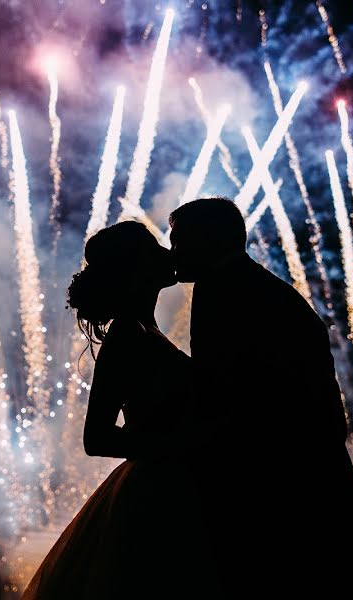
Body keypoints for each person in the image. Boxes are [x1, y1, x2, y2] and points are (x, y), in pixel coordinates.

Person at [169, 197, 353, 597]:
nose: (172, 253)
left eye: (180, 242)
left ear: (207, 240)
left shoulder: (224, 293)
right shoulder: (254, 287)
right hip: (313, 499)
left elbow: (228, 397)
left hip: (285, 506)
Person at [21, 221, 216, 599]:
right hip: (160, 493)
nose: (167, 254)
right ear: (136, 269)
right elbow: (96, 438)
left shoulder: (143, 329)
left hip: (170, 482)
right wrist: (182, 441)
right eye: (154, 250)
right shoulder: (128, 337)